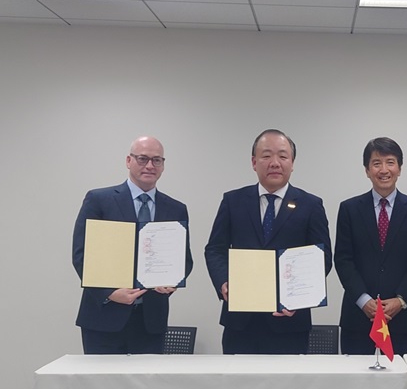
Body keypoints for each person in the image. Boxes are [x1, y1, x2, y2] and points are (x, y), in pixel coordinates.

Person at [205, 129, 332, 354]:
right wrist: (224, 282)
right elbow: (215, 249)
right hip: (240, 323)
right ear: (254, 162)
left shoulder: (311, 205)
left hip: (290, 322)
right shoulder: (232, 201)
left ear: (292, 163)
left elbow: (322, 258)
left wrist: (301, 297)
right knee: (238, 387)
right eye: (266, 156)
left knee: (288, 388)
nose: (274, 163)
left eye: (282, 156)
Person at [72, 136, 193, 354]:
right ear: (129, 161)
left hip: (151, 322)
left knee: (146, 388)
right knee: (102, 387)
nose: (149, 165)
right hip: (104, 318)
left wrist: (172, 281)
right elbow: (82, 255)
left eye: (157, 160)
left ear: (163, 165)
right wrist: (109, 292)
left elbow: (184, 259)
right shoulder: (99, 200)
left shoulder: (176, 208)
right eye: (142, 158)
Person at [334, 137, 407, 356]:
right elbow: (343, 260)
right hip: (358, 318)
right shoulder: (349, 209)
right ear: (367, 170)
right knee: (356, 385)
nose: (384, 169)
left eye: (390, 162)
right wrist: (364, 300)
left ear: (399, 168)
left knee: (400, 386)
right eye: (376, 163)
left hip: (401, 320)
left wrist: (400, 300)